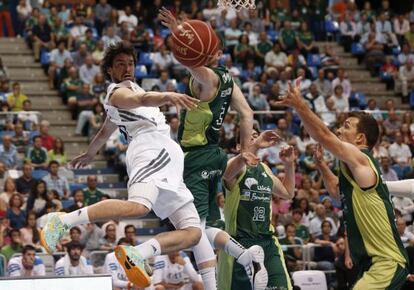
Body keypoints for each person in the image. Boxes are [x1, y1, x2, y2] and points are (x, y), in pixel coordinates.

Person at [40, 41, 202, 288]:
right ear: (110, 70)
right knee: (138, 207)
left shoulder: (127, 95)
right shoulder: (117, 93)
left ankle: (140, 253)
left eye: (131, 64)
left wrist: (90, 153)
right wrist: (168, 95)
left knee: (193, 232)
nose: (127, 68)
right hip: (149, 150)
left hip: (169, 159)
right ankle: (63, 221)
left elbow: (105, 132)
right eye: (120, 64)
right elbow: (144, 98)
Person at [159, 9, 267, 290]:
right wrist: (244, 150)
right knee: (207, 227)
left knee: (192, 230)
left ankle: (242, 259)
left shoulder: (208, 79)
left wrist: (178, 32)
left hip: (195, 157)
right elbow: (247, 113)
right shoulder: (228, 80)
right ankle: (244, 257)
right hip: (216, 156)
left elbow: (188, 58)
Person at [278, 79, 409, 289]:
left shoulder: (362, 159)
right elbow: (337, 194)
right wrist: (321, 165)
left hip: (386, 261)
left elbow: (323, 135)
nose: (339, 130)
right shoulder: (354, 169)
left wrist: (299, 105)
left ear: (359, 138)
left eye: (346, 126)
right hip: (368, 262)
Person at [215, 129, 295, 290]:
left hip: (267, 241)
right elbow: (226, 174)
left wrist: (288, 164)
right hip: (238, 244)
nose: (255, 137)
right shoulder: (236, 167)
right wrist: (255, 145)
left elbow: (287, 193)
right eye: (249, 136)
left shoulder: (264, 169)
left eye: (256, 135)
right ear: (238, 147)